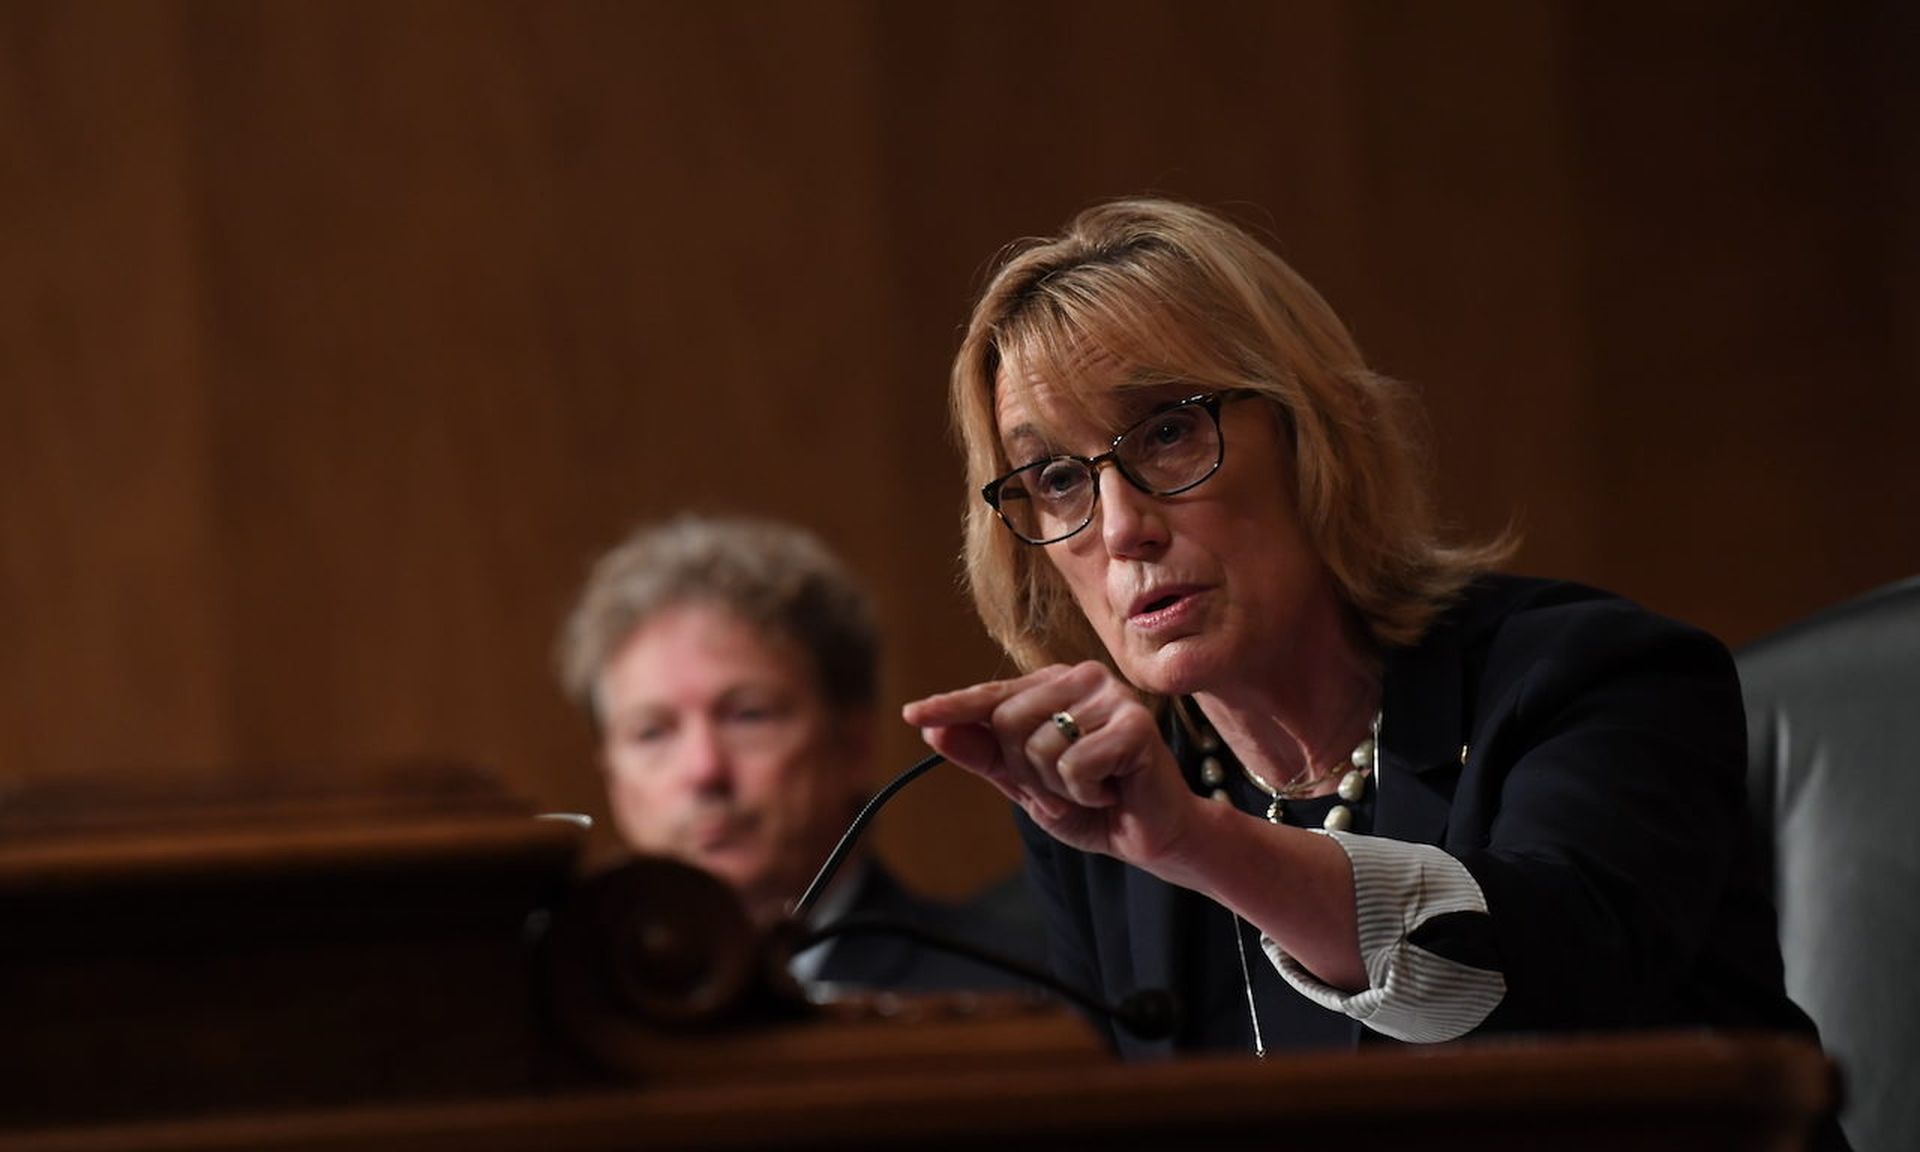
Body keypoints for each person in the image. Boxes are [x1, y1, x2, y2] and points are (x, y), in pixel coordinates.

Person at [902, 198, 1827, 1064]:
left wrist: (1196, 842)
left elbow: (1550, 989)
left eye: (1168, 433)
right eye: (1059, 477)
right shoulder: (1112, 795)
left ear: (1315, 436)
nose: (1119, 527)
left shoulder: (1598, 679)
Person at [557, 513, 1045, 996]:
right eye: (651, 733)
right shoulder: (570, 1013)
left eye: (749, 715)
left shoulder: (1015, 993)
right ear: (613, 778)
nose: (704, 770)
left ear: (854, 746)